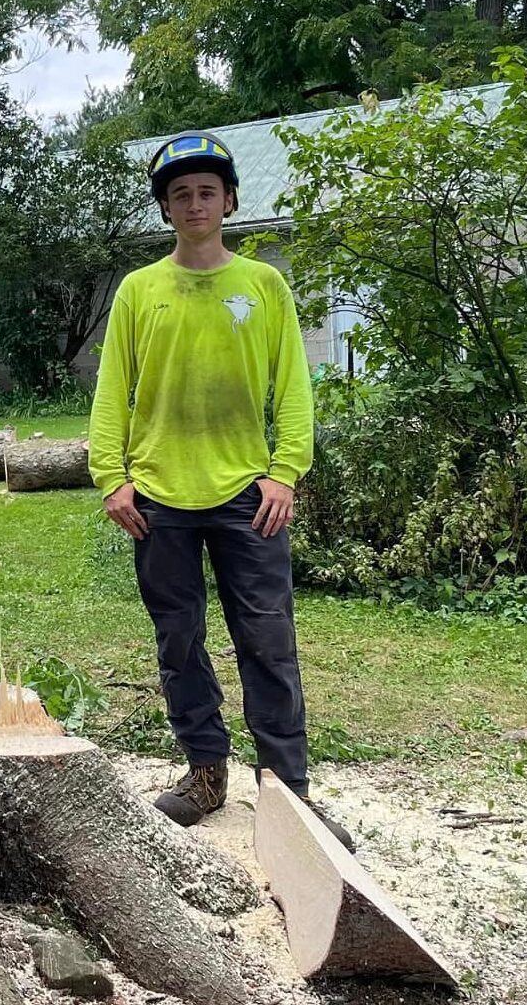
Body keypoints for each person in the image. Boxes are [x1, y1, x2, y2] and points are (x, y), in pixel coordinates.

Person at [88, 132, 354, 850]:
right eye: (181, 194)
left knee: (267, 638)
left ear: (230, 199)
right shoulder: (140, 292)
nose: (195, 203)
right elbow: (114, 391)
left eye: (207, 191)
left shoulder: (264, 285)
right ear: (166, 209)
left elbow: (293, 388)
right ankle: (205, 772)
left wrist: (286, 468)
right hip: (160, 499)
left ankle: (286, 790)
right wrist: (111, 477)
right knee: (180, 641)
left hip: (248, 494)